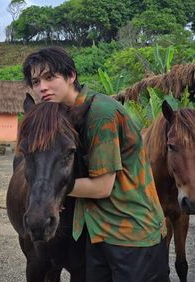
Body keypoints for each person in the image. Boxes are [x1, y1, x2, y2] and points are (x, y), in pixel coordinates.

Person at [22, 46, 169, 282]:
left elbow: (102, 187)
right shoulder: (66, 116)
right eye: (36, 81)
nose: (42, 88)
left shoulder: (100, 114)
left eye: (50, 77)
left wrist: (50, 190)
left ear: (71, 76)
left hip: (131, 233)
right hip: (100, 230)